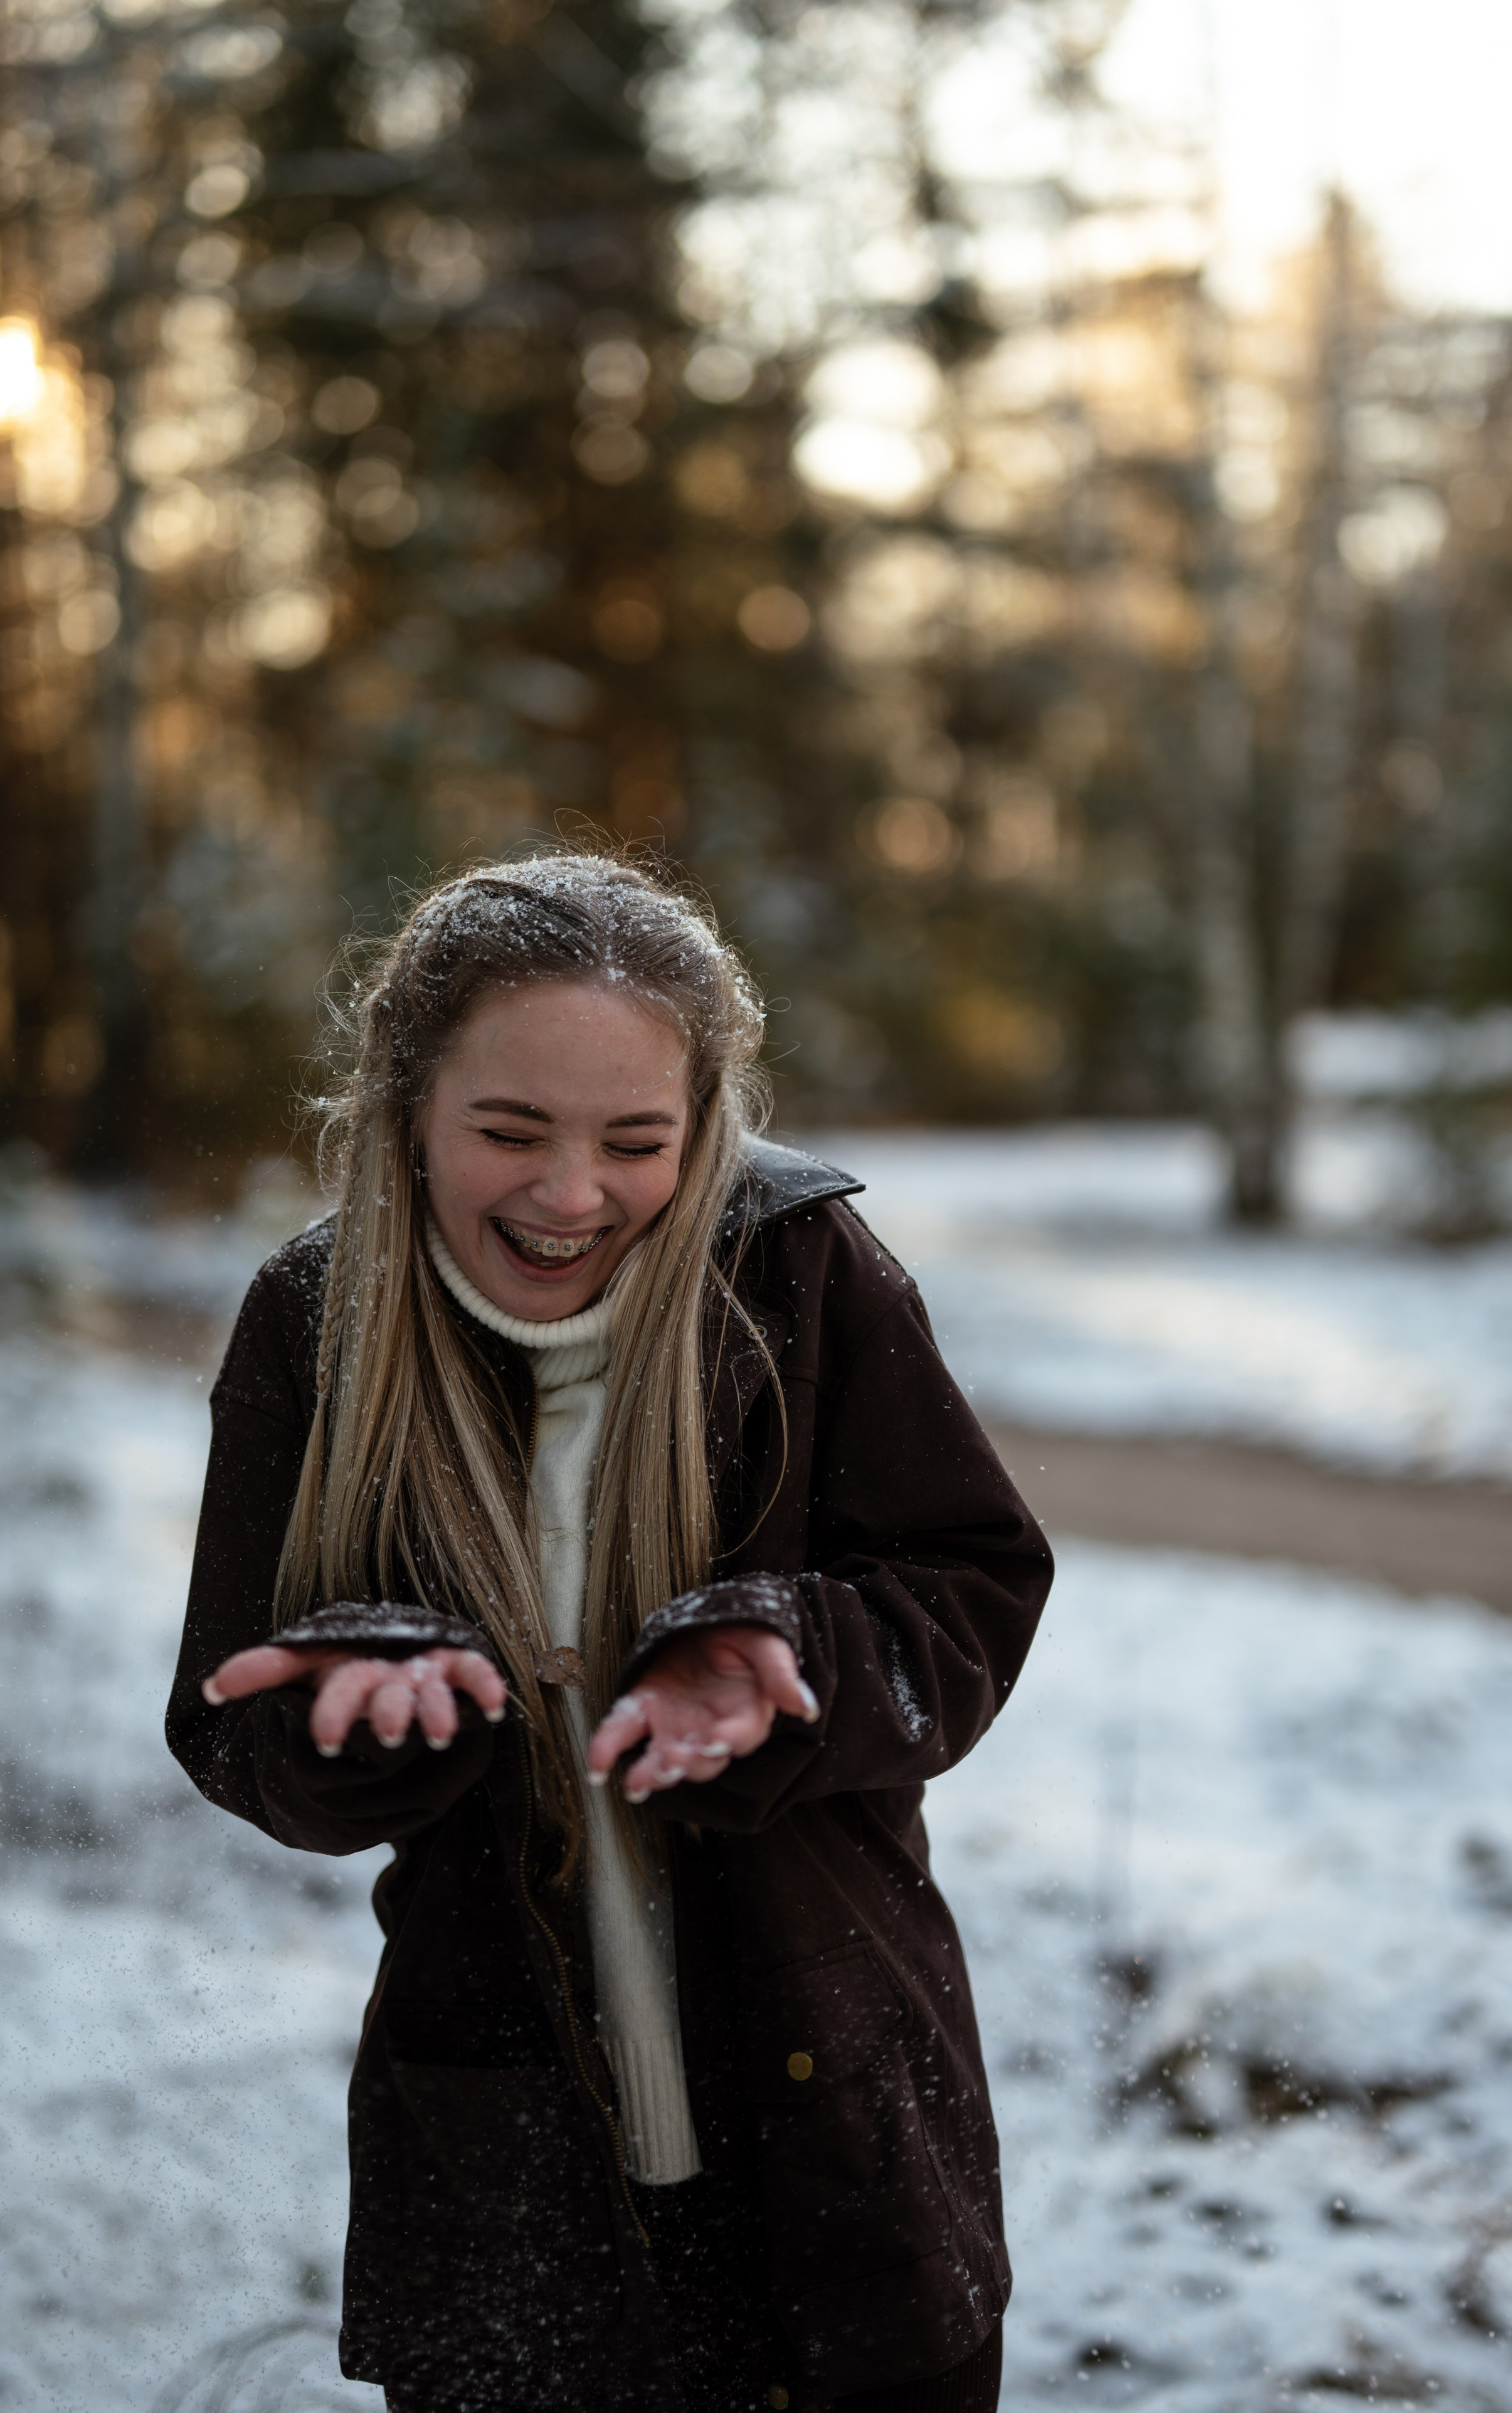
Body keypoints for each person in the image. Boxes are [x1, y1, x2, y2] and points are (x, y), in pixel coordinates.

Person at [166, 852, 1052, 2413]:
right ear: (402, 1106)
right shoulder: (314, 1322)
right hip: (508, 2176)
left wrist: (791, 1660)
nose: (569, 1194)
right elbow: (234, 1717)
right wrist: (351, 1716)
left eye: (635, 1142)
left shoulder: (796, 1273)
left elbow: (967, 1582)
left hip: (837, 2122)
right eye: (507, 1131)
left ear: (707, 1125)